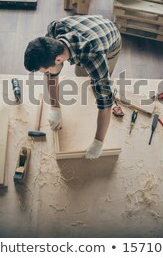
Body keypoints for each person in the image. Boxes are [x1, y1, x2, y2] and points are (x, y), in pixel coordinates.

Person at [24, 15, 121, 159]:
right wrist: (55, 106)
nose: (46, 75)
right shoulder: (54, 30)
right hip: (87, 29)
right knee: (81, 76)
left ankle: (97, 82)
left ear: (58, 59)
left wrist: (98, 142)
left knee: (99, 87)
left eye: (45, 71)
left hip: (110, 38)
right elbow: (53, 73)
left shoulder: (94, 56)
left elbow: (106, 103)